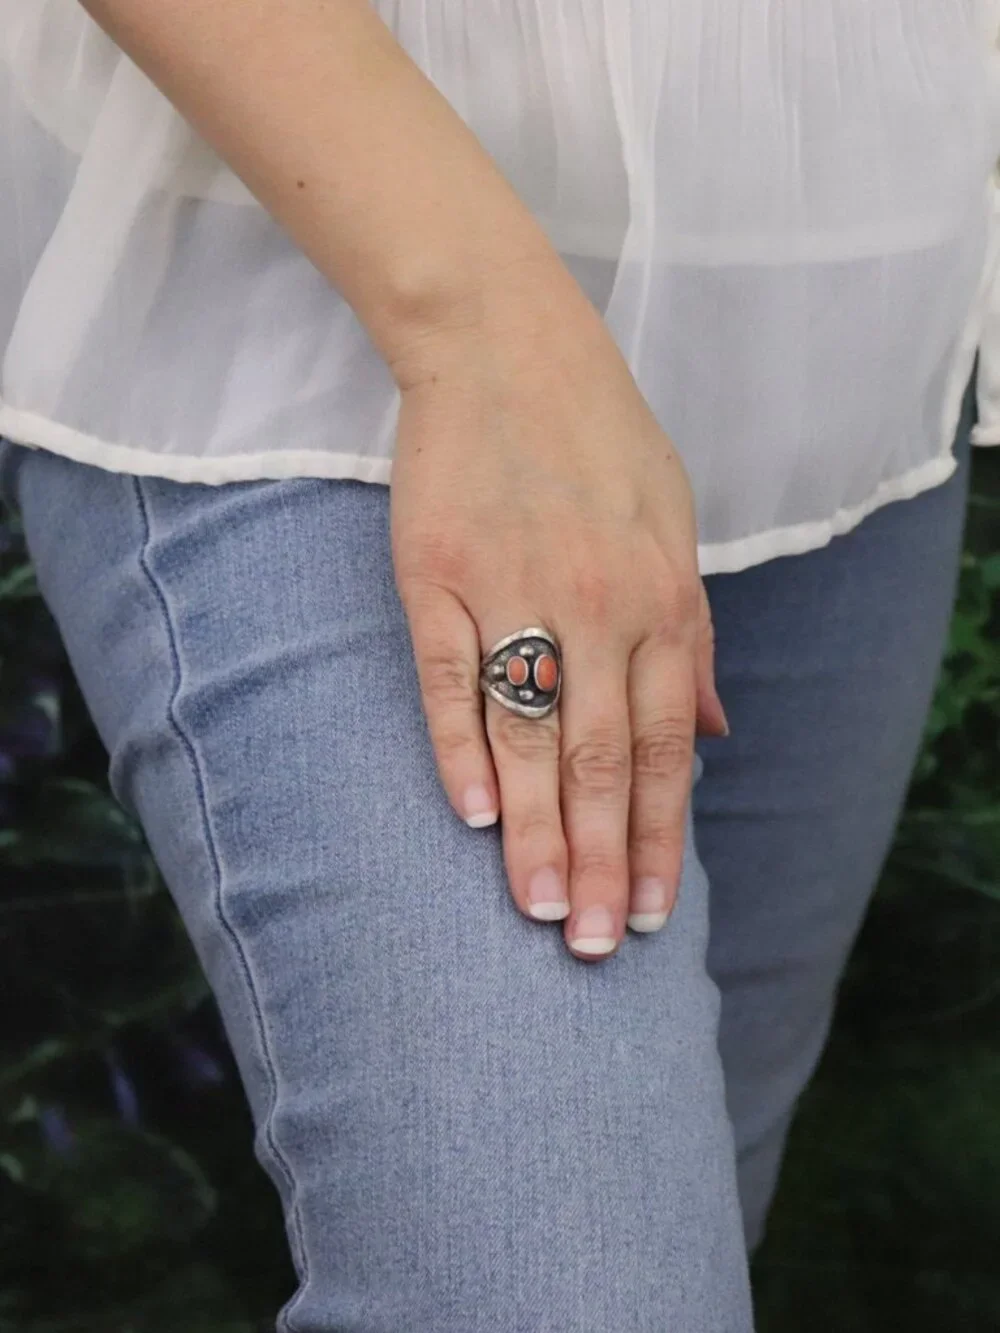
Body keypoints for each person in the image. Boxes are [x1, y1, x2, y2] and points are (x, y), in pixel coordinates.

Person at [2, 2, 999, 1328]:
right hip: (310, 290)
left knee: (705, 1206)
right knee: (569, 1289)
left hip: (852, 302)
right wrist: (477, 334)